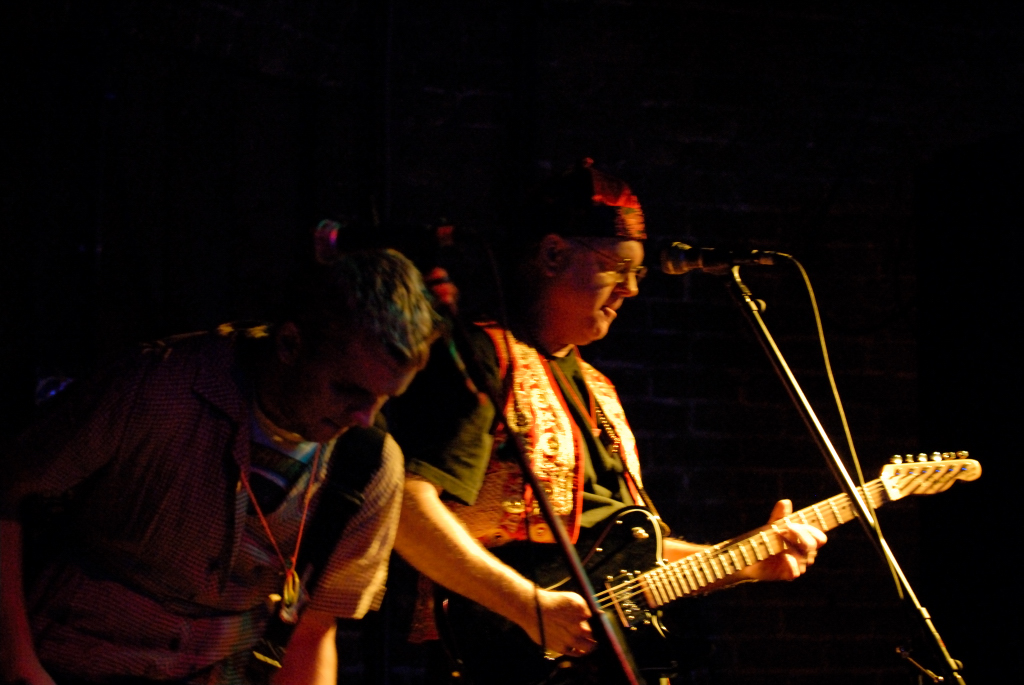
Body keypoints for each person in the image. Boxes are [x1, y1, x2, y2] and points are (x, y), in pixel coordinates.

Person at [388, 160, 828, 682]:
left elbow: (633, 561)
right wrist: (526, 604)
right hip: (501, 659)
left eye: (637, 274)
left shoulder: (599, 391)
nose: (631, 290)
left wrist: (744, 561)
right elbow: (406, 507)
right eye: (618, 268)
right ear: (553, 254)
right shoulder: (484, 358)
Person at [0, 249, 438, 685]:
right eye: (347, 389)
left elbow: (313, 631)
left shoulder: (370, 467)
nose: (364, 417)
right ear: (290, 344)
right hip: (68, 661)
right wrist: (18, 662)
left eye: (384, 399)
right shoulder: (157, 387)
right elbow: (7, 492)